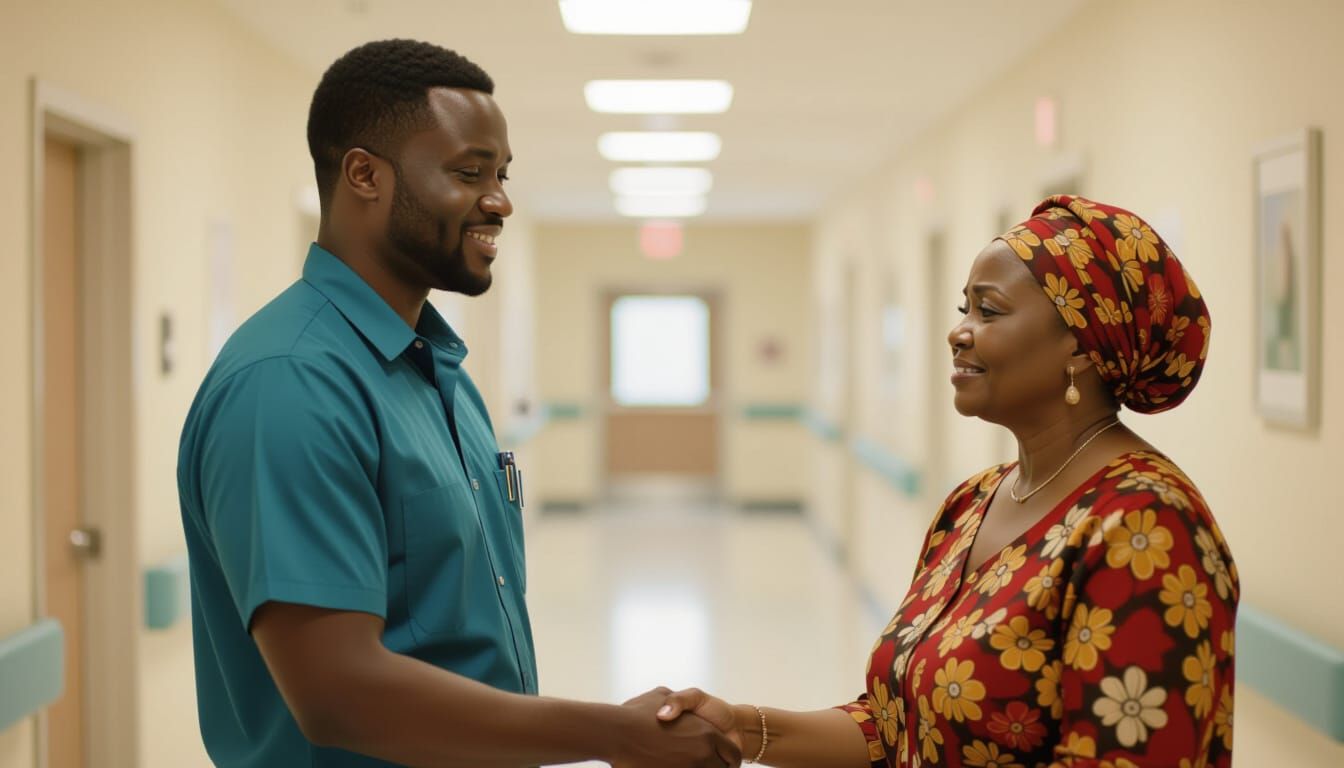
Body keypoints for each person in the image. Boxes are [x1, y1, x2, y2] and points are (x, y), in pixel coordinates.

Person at [177, 39, 737, 768]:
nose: (500, 200)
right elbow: (336, 692)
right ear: (363, 175)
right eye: (469, 173)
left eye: (501, 175)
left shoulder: (439, 374)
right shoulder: (290, 384)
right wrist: (611, 733)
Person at [655, 196, 1238, 768]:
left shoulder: (1144, 526)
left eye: (989, 311)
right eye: (965, 309)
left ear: (1081, 345)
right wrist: (742, 728)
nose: (959, 332)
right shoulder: (973, 503)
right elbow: (896, 725)